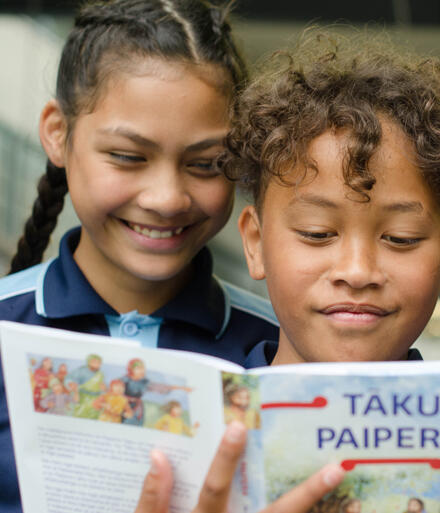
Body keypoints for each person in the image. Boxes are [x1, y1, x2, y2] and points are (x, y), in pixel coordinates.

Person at [136, 31, 440, 513]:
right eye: (316, 232)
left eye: (400, 238)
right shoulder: (177, 446)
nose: (357, 272)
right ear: (255, 243)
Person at [0, 0, 279, 510]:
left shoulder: (278, 348)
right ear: (58, 134)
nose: (167, 197)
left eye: (207, 164)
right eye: (128, 157)